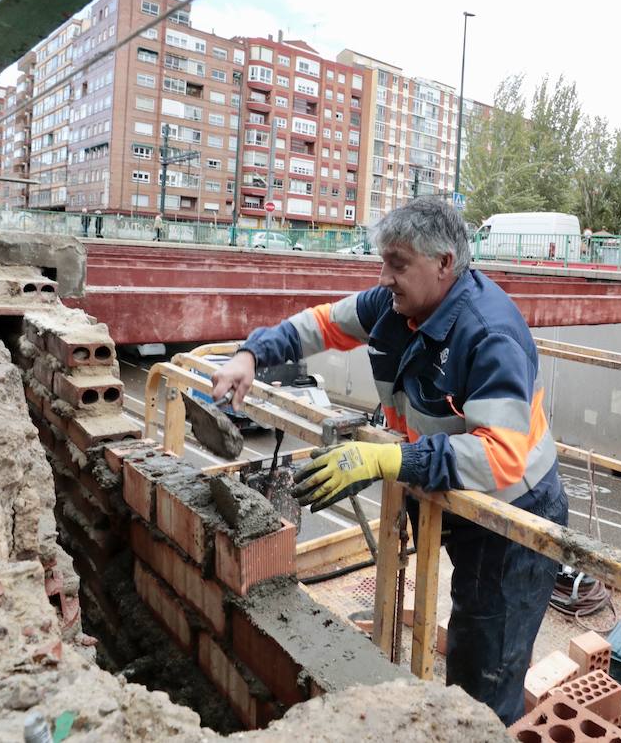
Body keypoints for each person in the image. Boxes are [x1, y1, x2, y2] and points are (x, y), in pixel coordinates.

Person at [211, 198, 567, 725]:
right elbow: (319, 326)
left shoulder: (488, 334)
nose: (384, 277)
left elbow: (501, 455)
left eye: (397, 264)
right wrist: (251, 355)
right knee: (467, 633)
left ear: (444, 263)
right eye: (383, 262)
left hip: (516, 521)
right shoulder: (392, 306)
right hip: (463, 501)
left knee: (484, 678)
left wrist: (389, 460)